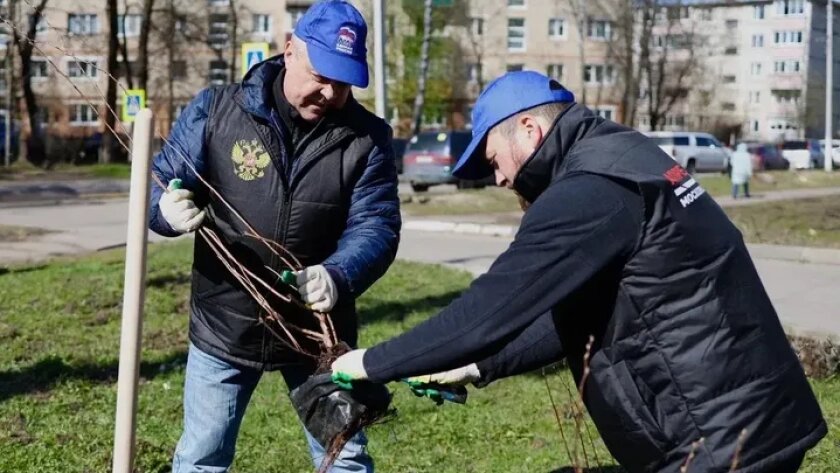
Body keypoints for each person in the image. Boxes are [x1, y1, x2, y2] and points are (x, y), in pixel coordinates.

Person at [331, 71, 826, 473]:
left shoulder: (589, 190)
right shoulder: (624, 155)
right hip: (753, 416)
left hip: (713, 437)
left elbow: (489, 308)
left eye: (494, 159)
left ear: (530, 129)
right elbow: (580, 311)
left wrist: (373, 362)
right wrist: (480, 366)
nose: (499, 178)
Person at [148, 1, 400, 471]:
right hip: (224, 325)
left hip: (317, 333)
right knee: (201, 456)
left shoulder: (367, 139)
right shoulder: (217, 111)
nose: (331, 92)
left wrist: (339, 274)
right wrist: (163, 210)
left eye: (344, 82)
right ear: (289, 52)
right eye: (322, 76)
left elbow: (377, 225)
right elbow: (161, 183)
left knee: (344, 458)